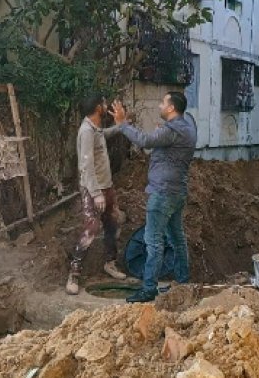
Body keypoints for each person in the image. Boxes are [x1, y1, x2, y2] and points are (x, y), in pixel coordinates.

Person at [108, 92, 197, 303]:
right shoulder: (187, 127)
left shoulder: (173, 130)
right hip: (177, 192)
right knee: (177, 239)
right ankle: (183, 283)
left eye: (162, 103)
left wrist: (122, 123)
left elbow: (144, 141)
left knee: (153, 241)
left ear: (171, 108)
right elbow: (164, 144)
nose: (159, 106)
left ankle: (148, 289)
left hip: (163, 194)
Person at [67, 95, 127, 296]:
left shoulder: (96, 129)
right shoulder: (86, 132)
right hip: (93, 189)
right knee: (91, 227)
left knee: (113, 222)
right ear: (97, 107)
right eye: (102, 102)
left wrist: (122, 125)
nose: (105, 105)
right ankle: (74, 273)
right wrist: (95, 194)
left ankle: (110, 264)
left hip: (106, 186)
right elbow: (86, 165)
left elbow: (105, 135)